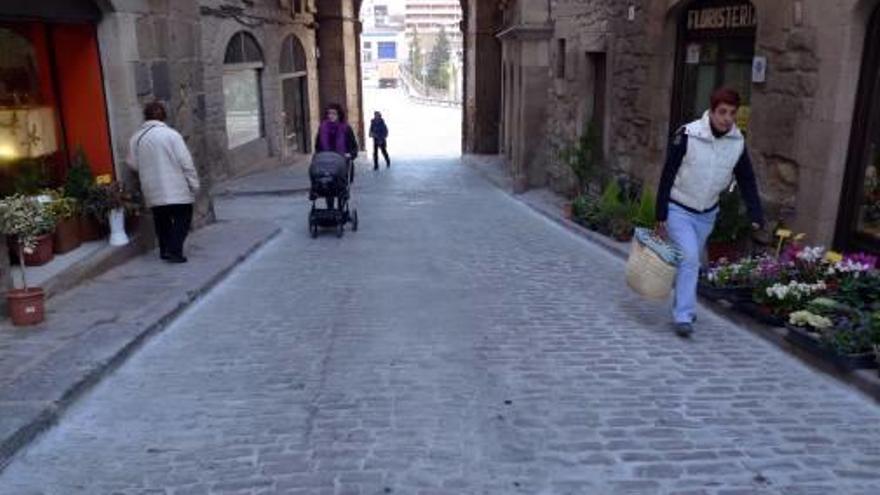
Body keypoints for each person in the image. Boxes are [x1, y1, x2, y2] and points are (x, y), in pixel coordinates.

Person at [655, 87, 764, 338]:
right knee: (691, 259)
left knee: (690, 262)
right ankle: (684, 315)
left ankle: (682, 299)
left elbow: (746, 179)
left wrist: (755, 212)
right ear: (712, 112)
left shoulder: (737, 143)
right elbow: (667, 174)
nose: (727, 118)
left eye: (732, 113)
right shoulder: (688, 134)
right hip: (678, 208)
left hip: (707, 213)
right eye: (722, 112)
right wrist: (661, 211)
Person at [127, 101, 200, 264]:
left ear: (145, 116)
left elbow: (132, 164)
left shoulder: (136, 138)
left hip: (152, 187)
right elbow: (185, 162)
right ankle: (175, 250)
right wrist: (194, 183)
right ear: (164, 116)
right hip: (176, 186)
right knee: (183, 217)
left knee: (161, 219)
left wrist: (147, 169)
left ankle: (165, 250)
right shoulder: (172, 135)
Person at [314, 103, 358, 208]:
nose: (331, 116)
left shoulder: (346, 129)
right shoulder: (322, 128)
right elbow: (318, 146)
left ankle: (340, 208)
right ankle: (330, 209)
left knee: (340, 188)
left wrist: (350, 155)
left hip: (342, 164)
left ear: (339, 115)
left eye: (334, 113)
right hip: (327, 164)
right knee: (327, 187)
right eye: (329, 113)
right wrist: (319, 156)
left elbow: (354, 148)